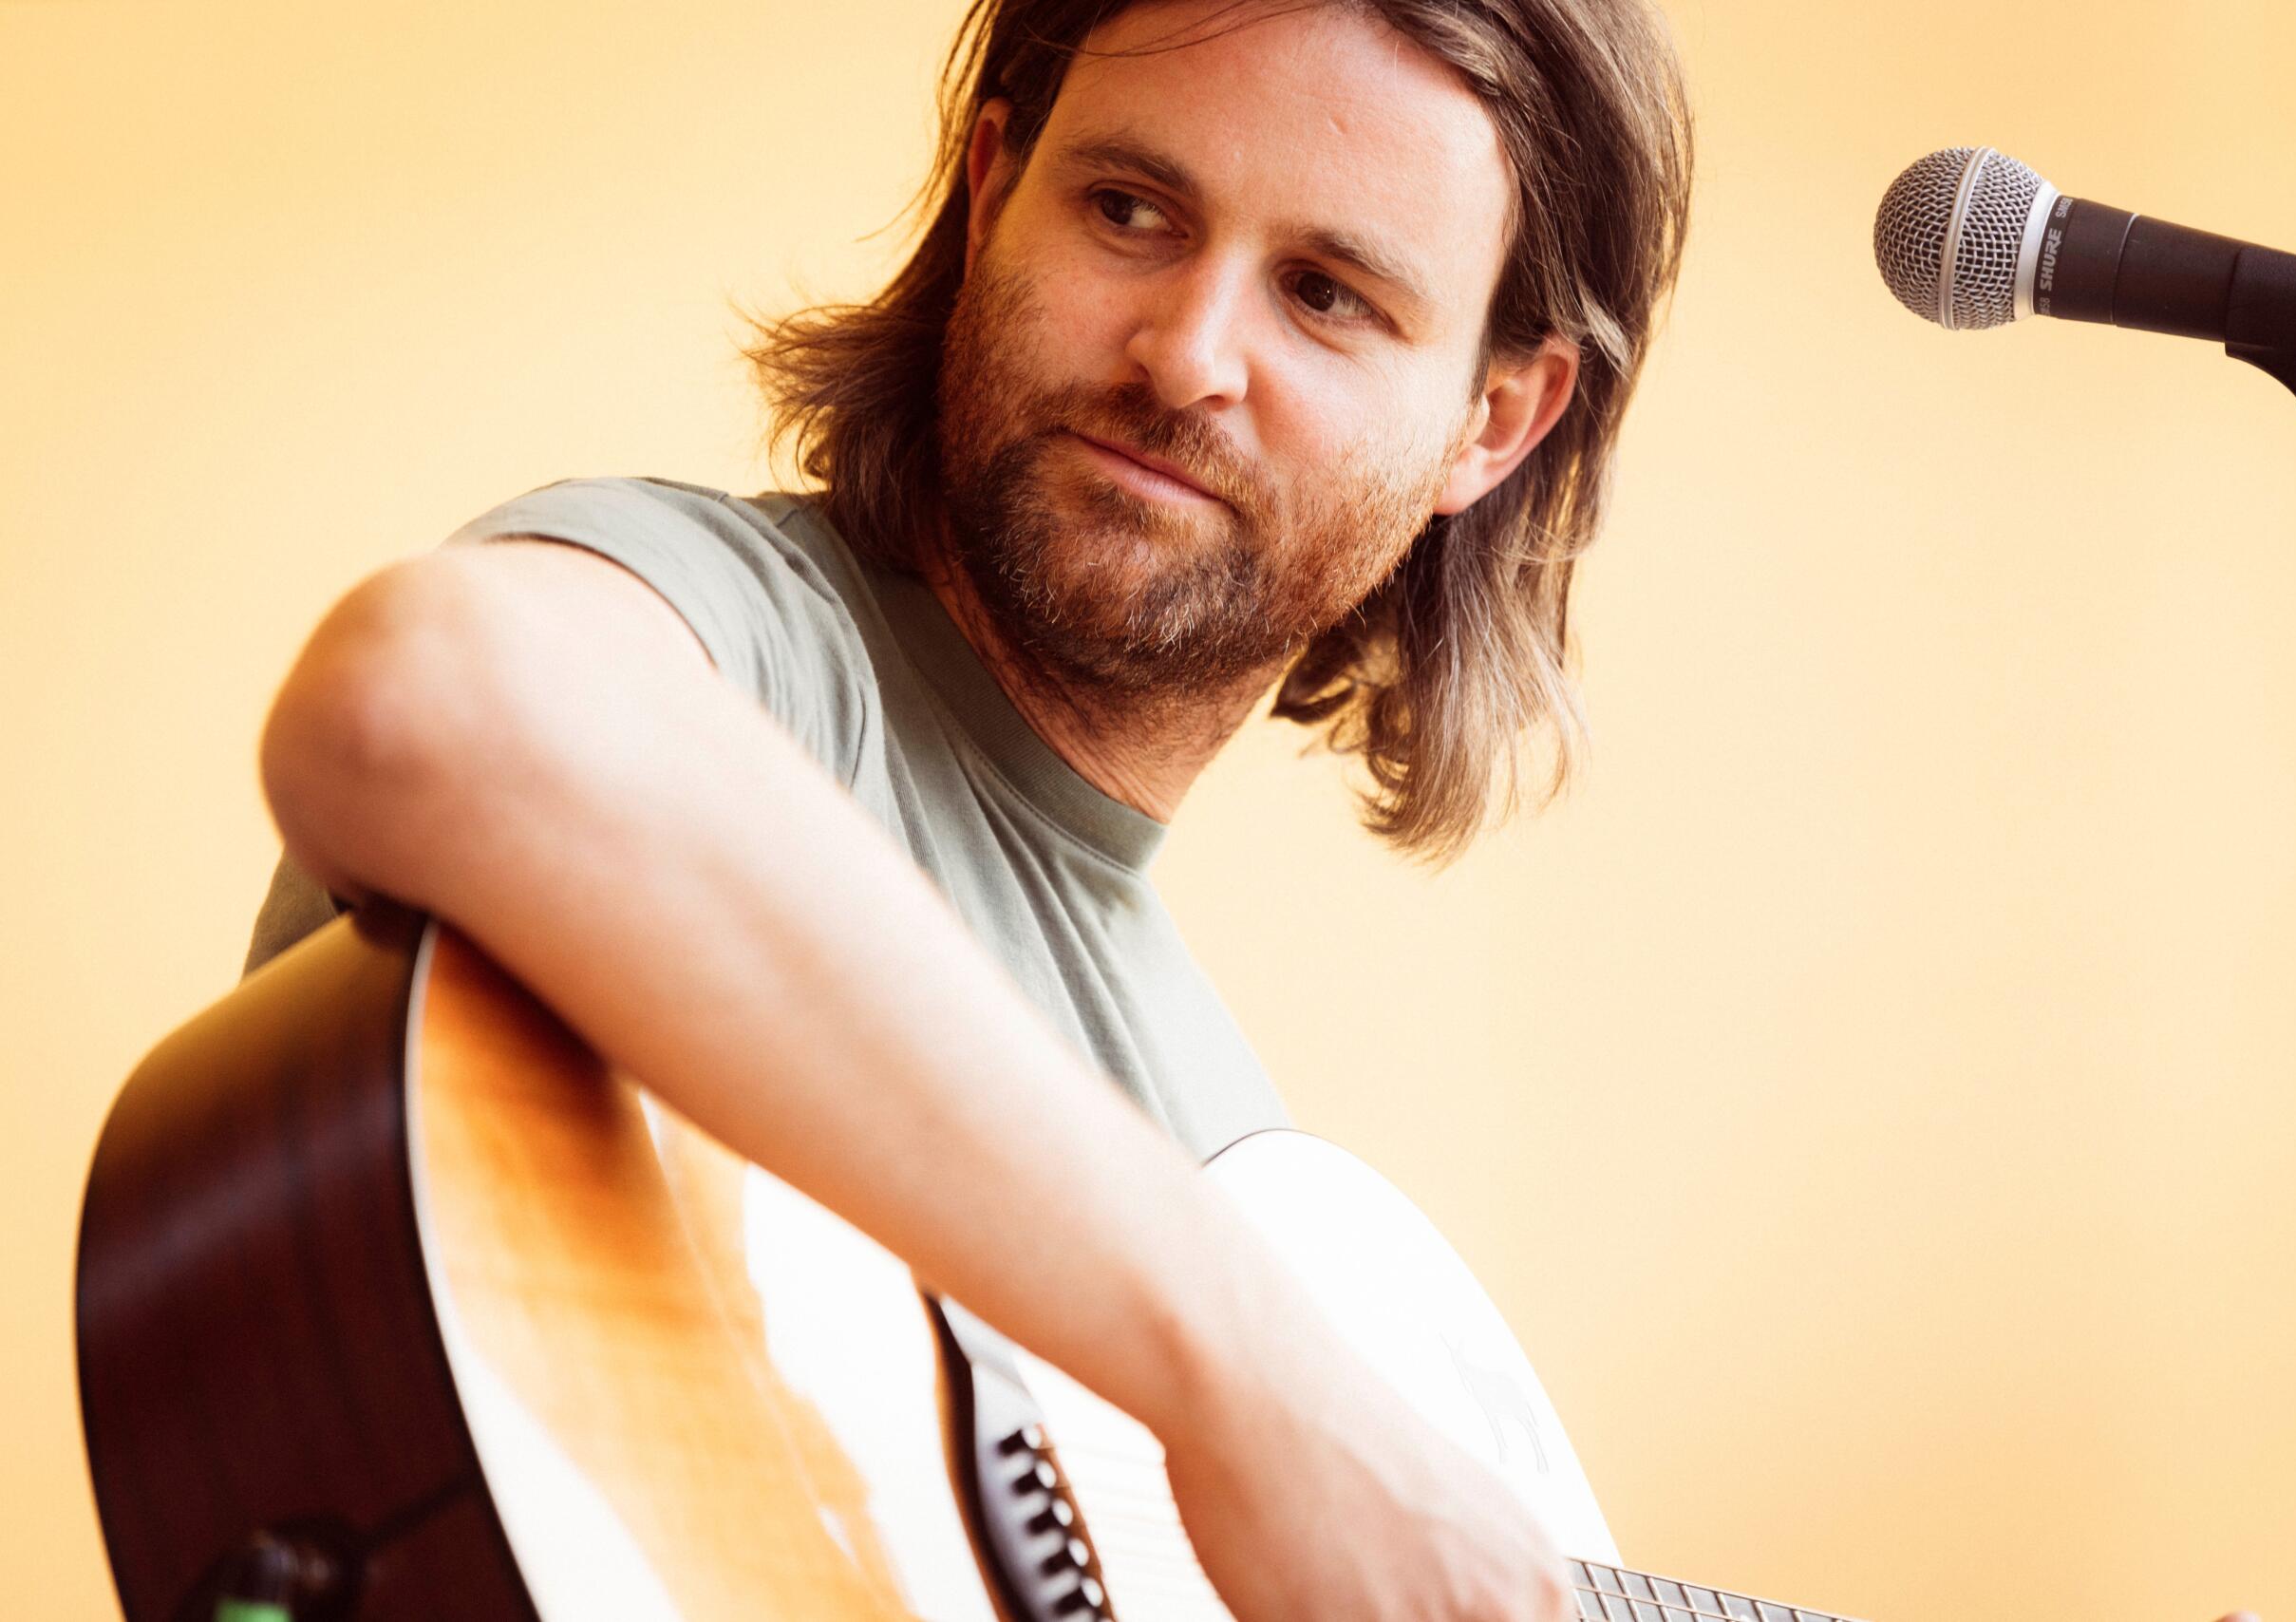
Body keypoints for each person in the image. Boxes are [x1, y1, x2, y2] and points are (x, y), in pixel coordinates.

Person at [247, 0, 1694, 1615]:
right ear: (994, 184)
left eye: (1327, 294)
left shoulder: (1234, 1142)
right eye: (1130, 210)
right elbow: (425, 699)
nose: (1189, 356)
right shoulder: (743, 650)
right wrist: (1266, 1395)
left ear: (1492, 422)